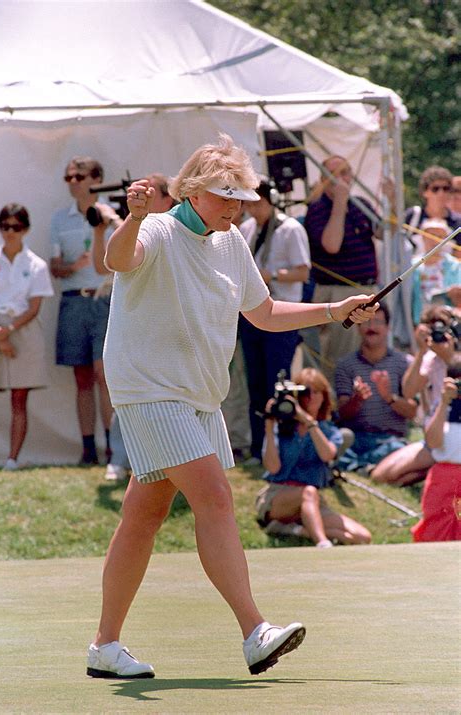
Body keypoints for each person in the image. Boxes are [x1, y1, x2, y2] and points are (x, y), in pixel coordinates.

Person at [86, 134, 379, 680]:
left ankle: (105, 645)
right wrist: (131, 217)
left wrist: (334, 308)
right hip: (150, 389)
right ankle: (254, 630)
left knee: (143, 517)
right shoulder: (155, 227)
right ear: (193, 191)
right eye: (225, 196)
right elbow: (117, 259)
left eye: (240, 197)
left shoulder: (232, 242)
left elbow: (264, 313)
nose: (235, 206)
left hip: (198, 395)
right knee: (216, 497)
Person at [91, 173, 175, 481]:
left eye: (152, 194)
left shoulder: (175, 233)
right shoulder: (134, 227)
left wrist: (120, 219)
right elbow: (105, 265)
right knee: (124, 393)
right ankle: (119, 458)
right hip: (130, 325)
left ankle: (163, 465)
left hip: (164, 330)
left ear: (168, 200)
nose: (146, 200)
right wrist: (108, 226)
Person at [256, 367, 371, 548]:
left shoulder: (328, 431)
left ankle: (292, 530)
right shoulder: (283, 427)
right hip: (279, 495)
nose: (310, 397)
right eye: (304, 392)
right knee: (308, 492)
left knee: (361, 536)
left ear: (324, 396)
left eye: (315, 392)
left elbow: (328, 455)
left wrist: (308, 421)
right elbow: (272, 468)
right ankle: (322, 544)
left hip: (312, 500)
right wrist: (269, 428)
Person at [239, 178, 311, 463]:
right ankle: (259, 446)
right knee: (255, 381)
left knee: (278, 380)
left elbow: (303, 272)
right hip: (252, 313)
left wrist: (274, 275)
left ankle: (284, 445)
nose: (254, 208)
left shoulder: (290, 228)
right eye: (250, 202)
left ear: (270, 199)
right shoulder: (245, 228)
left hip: (282, 311)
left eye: (258, 201)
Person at [50, 156, 117, 465]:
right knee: (82, 377)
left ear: (96, 178)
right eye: (69, 177)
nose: (73, 182)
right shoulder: (59, 220)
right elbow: (55, 267)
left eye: (79, 176)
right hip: (74, 300)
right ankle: (89, 448)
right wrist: (71, 266)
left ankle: (114, 447)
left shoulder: (112, 214)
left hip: (105, 299)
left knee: (106, 375)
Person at [304, 155, 389, 381]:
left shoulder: (361, 204)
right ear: (323, 179)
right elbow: (331, 244)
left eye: (346, 173)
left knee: (368, 355)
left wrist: (391, 201)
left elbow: (385, 232)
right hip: (338, 292)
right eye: (335, 175)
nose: (341, 180)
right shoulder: (317, 207)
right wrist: (340, 203)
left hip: (368, 290)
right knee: (341, 360)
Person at [0, 204, 54, 469]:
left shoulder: (36, 264)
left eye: (15, 227)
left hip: (22, 329)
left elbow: (35, 307)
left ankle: (12, 459)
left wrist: (10, 331)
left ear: (25, 229)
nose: (10, 232)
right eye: (5, 227)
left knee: (19, 397)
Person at [372, 305, 459, 486]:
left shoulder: (455, 357)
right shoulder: (430, 358)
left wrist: (450, 358)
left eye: (443, 329)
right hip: (434, 436)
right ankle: (434, 469)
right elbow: (408, 391)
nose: (439, 334)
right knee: (380, 476)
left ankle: (441, 468)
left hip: (455, 435)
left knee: (397, 476)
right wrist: (421, 350)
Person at [335, 302, 417, 475]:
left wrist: (389, 397)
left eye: (377, 322)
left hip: (389, 439)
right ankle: (368, 466)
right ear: (357, 327)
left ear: (388, 327)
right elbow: (342, 414)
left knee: (398, 448)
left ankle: (359, 466)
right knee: (336, 441)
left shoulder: (404, 363)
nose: (371, 327)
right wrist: (357, 399)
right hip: (356, 437)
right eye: (366, 322)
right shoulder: (345, 365)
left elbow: (412, 412)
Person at [411, 355, 461, 542]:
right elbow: (433, 442)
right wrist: (444, 402)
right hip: (443, 479)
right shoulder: (441, 406)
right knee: (436, 528)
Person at [410, 218, 461, 325]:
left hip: (448, 319)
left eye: (440, 236)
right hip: (420, 321)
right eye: (431, 235)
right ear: (423, 237)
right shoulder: (412, 265)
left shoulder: (455, 265)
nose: (435, 240)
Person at [405, 165, 461, 257]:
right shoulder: (412, 216)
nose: (441, 193)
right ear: (425, 192)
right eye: (435, 189)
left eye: (446, 188)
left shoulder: (457, 222)